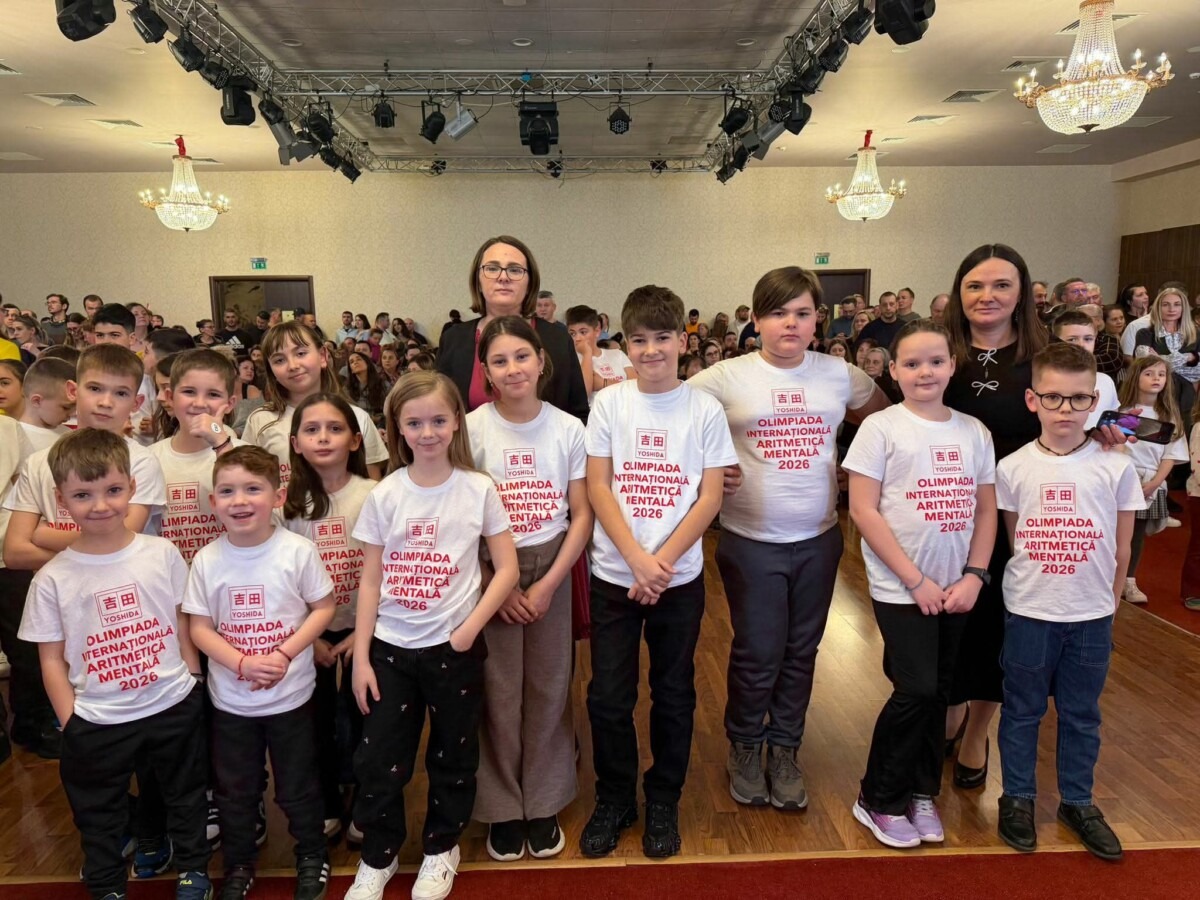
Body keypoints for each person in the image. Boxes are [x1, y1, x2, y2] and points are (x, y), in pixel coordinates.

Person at [689, 268, 886, 814]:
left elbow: (889, 424)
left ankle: (785, 749)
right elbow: (663, 420)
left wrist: (859, 470)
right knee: (757, 651)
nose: (790, 324)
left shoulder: (840, 375)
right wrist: (708, 470)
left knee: (802, 651)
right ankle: (745, 745)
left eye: (802, 313)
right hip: (751, 541)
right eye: (777, 313)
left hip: (819, 539)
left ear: (817, 319)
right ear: (756, 319)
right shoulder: (725, 377)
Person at [344, 372, 518, 900]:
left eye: (438, 420)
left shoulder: (478, 488)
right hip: (390, 650)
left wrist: (467, 630)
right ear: (397, 428)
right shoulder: (386, 494)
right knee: (379, 759)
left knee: (453, 754)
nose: (427, 432)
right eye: (414, 423)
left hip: (453, 650)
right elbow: (370, 579)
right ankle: (379, 855)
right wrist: (361, 657)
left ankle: (442, 848)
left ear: (456, 422)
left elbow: (506, 569)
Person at [18, 429, 212, 900]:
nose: (100, 505)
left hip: (171, 702)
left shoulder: (162, 553)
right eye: (83, 495)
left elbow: (180, 619)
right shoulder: (51, 578)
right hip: (98, 717)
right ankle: (107, 885)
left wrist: (193, 679)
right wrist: (71, 720)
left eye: (112, 490)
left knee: (186, 796)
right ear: (62, 500)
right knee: (98, 811)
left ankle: (193, 871)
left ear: (131, 487)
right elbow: (50, 658)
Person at [580, 285, 736, 860]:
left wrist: (660, 563)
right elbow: (599, 486)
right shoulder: (609, 404)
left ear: (682, 341)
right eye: (639, 340)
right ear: (625, 344)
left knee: (672, 693)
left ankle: (663, 797)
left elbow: (710, 496)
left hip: (678, 579)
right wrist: (637, 561)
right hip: (615, 574)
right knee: (608, 696)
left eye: (662, 338)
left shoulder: (704, 409)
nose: (651, 350)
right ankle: (615, 796)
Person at [845, 320, 997, 848]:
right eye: (911, 363)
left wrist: (975, 575)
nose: (924, 372)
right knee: (916, 689)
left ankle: (921, 790)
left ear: (952, 366)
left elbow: (985, 510)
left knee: (941, 692)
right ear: (893, 370)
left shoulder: (974, 431)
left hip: (958, 587)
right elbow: (863, 510)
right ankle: (878, 796)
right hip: (902, 588)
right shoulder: (881, 428)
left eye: (935, 361)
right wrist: (915, 580)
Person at [994, 342, 1141, 861]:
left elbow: (1123, 547)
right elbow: (1016, 538)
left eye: (1079, 399)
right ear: (1032, 400)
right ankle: (1017, 797)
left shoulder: (1115, 466)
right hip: (1031, 611)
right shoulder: (1012, 467)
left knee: (1082, 714)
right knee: (1022, 710)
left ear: (1095, 402)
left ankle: (1078, 801)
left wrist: (1110, 606)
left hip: (1091, 615)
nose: (1065, 410)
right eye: (1053, 397)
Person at [466, 316, 592, 862]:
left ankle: (542, 800)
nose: (512, 368)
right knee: (497, 690)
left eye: (522, 356)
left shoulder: (568, 428)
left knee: (548, 685)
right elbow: (458, 514)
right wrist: (497, 583)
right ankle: (500, 806)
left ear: (542, 361)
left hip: (552, 565)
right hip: (488, 567)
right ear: (486, 371)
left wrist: (547, 587)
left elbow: (581, 514)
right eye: (499, 360)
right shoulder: (470, 429)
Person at [184, 446, 335, 900]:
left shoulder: (297, 551)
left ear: (277, 496)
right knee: (235, 790)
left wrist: (285, 654)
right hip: (231, 702)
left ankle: (312, 854)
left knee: (298, 784)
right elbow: (199, 627)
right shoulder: (207, 559)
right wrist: (242, 663)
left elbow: (323, 608)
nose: (240, 500)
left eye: (253, 489)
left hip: (291, 698)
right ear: (214, 502)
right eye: (228, 491)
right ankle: (239, 863)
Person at [941, 243, 1047, 791]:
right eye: (975, 285)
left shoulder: (1043, 358)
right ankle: (950, 707)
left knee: (995, 630)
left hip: (1015, 520)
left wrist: (1103, 433)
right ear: (958, 293)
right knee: (944, 625)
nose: (987, 296)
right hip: (941, 514)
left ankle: (978, 730)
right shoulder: (939, 352)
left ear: (1021, 292)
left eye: (1001, 284)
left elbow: (1075, 416)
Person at [283, 393, 376, 844]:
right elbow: (279, 577)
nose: (323, 438)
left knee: (364, 715)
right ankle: (325, 799)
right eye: (312, 430)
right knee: (314, 721)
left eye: (335, 429)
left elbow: (391, 568)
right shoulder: (287, 505)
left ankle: (366, 795)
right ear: (295, 443)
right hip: (308, 632)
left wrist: (364, 633)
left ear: (355, 440)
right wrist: (309, 637)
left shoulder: (374, 494)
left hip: (366, 626)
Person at [438, 236, 588, 421]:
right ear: (478, 281)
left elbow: (578, 413)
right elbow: (440, 414)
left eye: (515, 270)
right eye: (492, 268)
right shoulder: (453, 339)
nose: (503, 277)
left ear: (530, 283)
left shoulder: (557, 338)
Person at [243, 321, 388, 485]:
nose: (292, 365)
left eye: (300, 353)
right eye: (279, 360)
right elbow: (248, 483)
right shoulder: (259, 420)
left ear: (322, 356)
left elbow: (372, 486)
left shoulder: (357, 417)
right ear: (271, 370)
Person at [149, 349, 240, 564]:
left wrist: (220, 440)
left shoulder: (245, 454)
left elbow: (253, 512)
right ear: (170, 397)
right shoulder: (150, 458)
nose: (199, 403)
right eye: (189, 392)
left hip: (231, 573)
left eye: (213, 394)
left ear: (230, 403)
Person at [1116, 356, 1187, 605]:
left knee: (1136, 533)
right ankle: (1110, 576)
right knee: (1113, 531)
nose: (1156, 378)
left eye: (1161, 374)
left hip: (1150, 481)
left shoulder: (1169, 417)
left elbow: (1171, 455)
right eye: (1149, 373)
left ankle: (1129, 580)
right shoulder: (1124, 412)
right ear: (1136, 377)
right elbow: (1116, 448)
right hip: (1122, 478)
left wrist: (1155, 483)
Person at [0, 415, 32, 763]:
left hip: (10, 555)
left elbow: (28, 487)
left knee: (24, 645)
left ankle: (30, 722)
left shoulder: (8, 429)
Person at [1132, 287, 1200, 415]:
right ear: (1158, 307)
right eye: (1165, 305)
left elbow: (1198, 371)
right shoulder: (1146, 334)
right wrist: (1188, 357)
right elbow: (1145, 364)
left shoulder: (1195, 334)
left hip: (1187, 399)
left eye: (1177, 304)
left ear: (1184, 308)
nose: (1171, 309)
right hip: (1154, 397)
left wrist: (1160, 359)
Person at [1050, 310, 1119, 430]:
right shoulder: (1047, 381)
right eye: (1072, 339)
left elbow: (1113, 423)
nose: (1081, 345)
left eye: (1088, 339)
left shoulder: (1106, 381)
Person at [566, 305, 635, 405]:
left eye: (583, 332)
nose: (577, 338)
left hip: (626, 408)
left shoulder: (617, 354)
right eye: (572, 334)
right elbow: (583, 396)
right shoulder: (570, 361)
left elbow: (635, 388)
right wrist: (587, 354)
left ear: (597, 331)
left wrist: (603, 383)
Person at [18, 357, 75, 451]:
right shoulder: (16, 438)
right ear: (37, 401)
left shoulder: (69, 435)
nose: (72, 414)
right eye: (66, 407)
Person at [343, 351, 388, 428]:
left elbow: (390, 409)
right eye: (352, 362)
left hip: (381, 425)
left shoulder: (383, 385)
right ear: (351, 370)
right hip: (357, 426)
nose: (355, 362)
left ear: (367, 363)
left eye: (359, 359)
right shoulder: (347, 389)